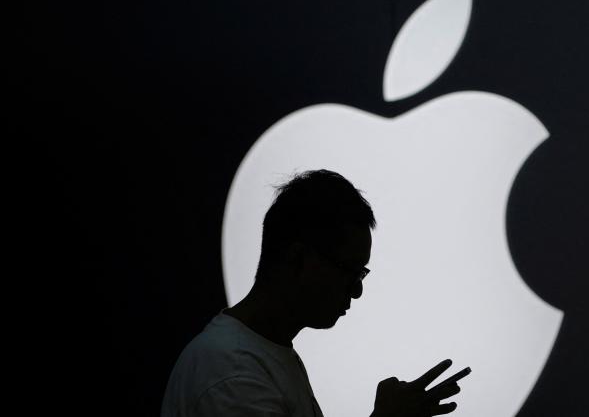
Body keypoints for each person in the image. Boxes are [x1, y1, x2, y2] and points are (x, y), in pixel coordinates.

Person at [161, 169, 470, 417]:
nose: (358, 290)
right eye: (350, 271)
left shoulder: (261, 355)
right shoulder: (231, 374)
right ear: (299, 260)